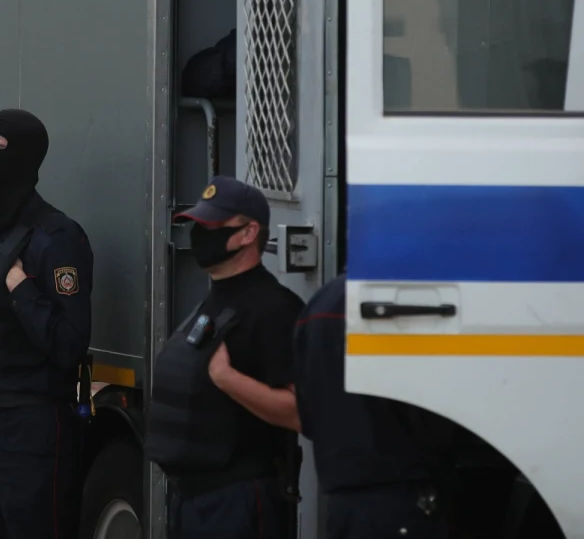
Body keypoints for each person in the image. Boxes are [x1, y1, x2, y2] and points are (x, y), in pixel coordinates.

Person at [0, 108, 93, 539]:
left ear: (26, 157)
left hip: (33, 426)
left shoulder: (56, 237)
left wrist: (19, 286)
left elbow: (69, 343)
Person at [145, 175, 305, 539]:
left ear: (249, 233)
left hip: (240, 502)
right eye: (198, 225)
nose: (201, 235)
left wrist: (227, 379)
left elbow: (300, 412)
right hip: (194, 502)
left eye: (212, 226)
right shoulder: (215, 300)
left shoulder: (274, 308)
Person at [294, 274, 459, 539]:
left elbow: (308, 414)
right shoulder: (413, 300)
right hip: (405, 498)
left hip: (343, 504)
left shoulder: (318, 305)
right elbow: (435, 417)